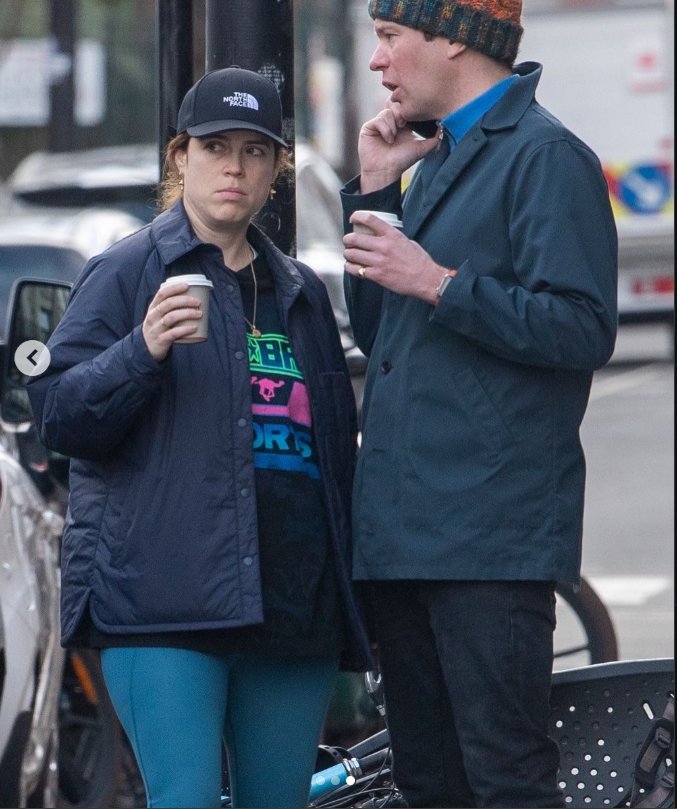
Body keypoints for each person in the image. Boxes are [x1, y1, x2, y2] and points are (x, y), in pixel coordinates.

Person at [27, 66, 371, 809]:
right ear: (181, 157)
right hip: (165, 606)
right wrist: (141, 349)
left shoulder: (300, 292)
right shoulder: (125, 273)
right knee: (183, 798)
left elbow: (333, 453)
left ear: (276, 170)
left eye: (255, 151)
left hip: (290, 605)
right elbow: (60, 416)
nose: (234, 167)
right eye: (216, 147)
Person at [340, 1, 618, 806]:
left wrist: (437, 281)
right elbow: (382, 333)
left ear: (454, 36)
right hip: (404, 537)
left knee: (504, 780)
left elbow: (582, 327)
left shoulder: (544, 155)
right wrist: (377, 191)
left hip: (488, 540)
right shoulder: (440, 157)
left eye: (389, 37)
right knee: (427, 783)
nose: (377, 62)